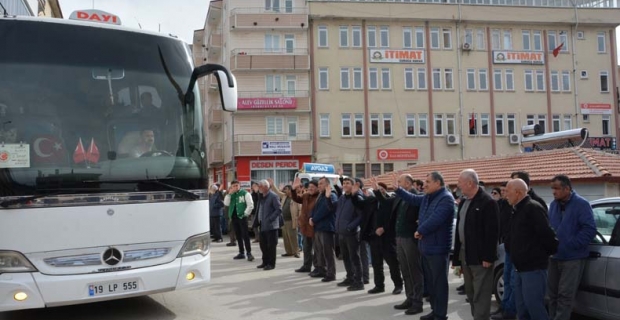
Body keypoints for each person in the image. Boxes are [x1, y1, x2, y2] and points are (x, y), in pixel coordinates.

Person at [394, 171, 455, 320]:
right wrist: (398, 190)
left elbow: (436, 219)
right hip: (426, 247)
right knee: (432, 284)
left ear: (437, 183)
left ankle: (441, 314)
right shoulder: (428, 197)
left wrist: (420, 230)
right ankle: (435, 311)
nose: (424, 185)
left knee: (439, 284)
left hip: (438, 248)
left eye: (428, 182)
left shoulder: (445, 198)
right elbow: (413, 198)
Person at [505, 179, 558, 320]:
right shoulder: (516, 210)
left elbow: (547, 235)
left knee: (534, 307)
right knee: (522, 309)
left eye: (508, 192)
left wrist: (538, 256)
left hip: (533, 269)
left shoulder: (533, 208)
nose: (505, 195)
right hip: (519, 268)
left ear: (518, 192)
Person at [547, 175, 596, 320]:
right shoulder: (554, 205)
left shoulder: (581, 204)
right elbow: (550, 227)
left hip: (572, 258)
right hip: (554, 256)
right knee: (552, 296)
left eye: (556, 188)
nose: (553, 192)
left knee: (565, 296)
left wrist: (572, 244)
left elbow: (589, 229)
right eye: (552, 188)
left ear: (567, 189)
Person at [452, 170, 499, 320]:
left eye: (460, 182)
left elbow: (492, 232)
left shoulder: (487, 202)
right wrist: (456, 259)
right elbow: (461, 228)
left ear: (470, 183)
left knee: (481, 295)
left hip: (481, 258)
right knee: (471, 294)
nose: (458, 185)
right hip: (466, 255)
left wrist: (488, 257)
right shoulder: (464, 202)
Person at [376, 174, 423, 315]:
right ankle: (409, 298)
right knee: (405, 270)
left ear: (408, 183)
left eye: (400, 182)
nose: (397, 184)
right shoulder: (399, 197)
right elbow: (386, 203)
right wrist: (377, 191)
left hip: (411, 238)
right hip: (399, 237)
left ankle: (417, 302)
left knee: (414, 271)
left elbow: (422, 215)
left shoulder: (417, 197)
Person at [331, 178, 365, 291]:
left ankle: (359, 281)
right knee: (345, 257)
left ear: (353, 185)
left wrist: (350, 227)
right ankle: (350, 277)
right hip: (341, 233)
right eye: (344, 183)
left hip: (352, 233)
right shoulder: (342, 197)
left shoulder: (357, 198)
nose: (345, 185)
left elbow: (361, 216)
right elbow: (334, 208)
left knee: (355, 257)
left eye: (347, 183)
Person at [493, 181, 517, 320]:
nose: (504, 193)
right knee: (506, 280)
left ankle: (510, 311)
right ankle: (504, 309)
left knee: (513, 282)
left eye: (506, 190)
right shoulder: (503, 204)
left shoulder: (530, 206)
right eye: (503, 191)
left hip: (516, 250)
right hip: (507, 247)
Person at [310, 177, 339, 282]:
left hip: (327, 227)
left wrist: (314, 219)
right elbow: (314, 209)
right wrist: (311, 217)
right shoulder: (320, 195)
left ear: (327, 185)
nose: (319, 186)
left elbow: (325, 210)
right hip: (318, 227)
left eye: (321, 184)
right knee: (319, 251)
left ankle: (331, 274)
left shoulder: (332, 195)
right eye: (318, 184)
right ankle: (321, 270)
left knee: (328, 252)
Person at [291, 179, 320, 274]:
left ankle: (317, 267)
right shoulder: (306, 195)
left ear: (317, 188)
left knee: (316, 249)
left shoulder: (319, 197)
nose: (310, 189)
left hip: (314, 227)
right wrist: (293, 189)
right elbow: (296, 199)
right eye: (309, 187)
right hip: (305, 226)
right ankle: (306, 266)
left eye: (313, 187)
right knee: (306, 248)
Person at [254, 180, 282, 271]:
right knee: (263, 245)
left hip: (271, 226)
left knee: (271, 246)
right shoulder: (261, 196)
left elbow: (278, 209)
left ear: (266, 187)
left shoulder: (273, 196)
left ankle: (271, 264)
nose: (259, 188)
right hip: (262, 225)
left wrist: (270, 219)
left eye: (261, 186)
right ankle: (265, 262)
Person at [223, 180, 255, 262]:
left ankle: (249, 253)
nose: (235, 187)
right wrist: (229, 194)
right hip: (234, 218)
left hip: (242, 217)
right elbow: (226, 204)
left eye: (237, 185)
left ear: (239, 185)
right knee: (238, 235)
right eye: (234, 186)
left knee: (245, 235)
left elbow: (250, 205)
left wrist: (245, 214)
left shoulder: (245, 193)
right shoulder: (231, 195)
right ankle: (241, 252)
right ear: (231, 187)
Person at [271, 182, 301, 258]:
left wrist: (298, 218)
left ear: (290, 190)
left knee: (293, 237)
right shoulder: (284, 196)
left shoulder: (295, 197)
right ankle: (289, 252)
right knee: (286, 238)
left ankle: (296, 252)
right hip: (284, 220)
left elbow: (300, 209)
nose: (284, 191)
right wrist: (272, 185)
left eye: (286, 189)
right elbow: (277, 192)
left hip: (292, 220)